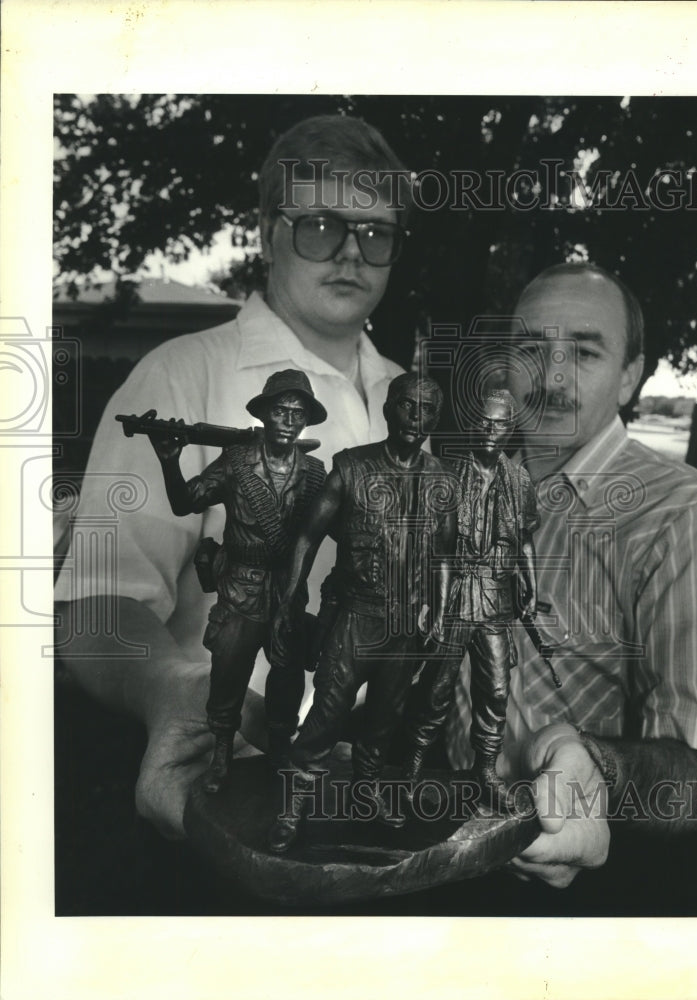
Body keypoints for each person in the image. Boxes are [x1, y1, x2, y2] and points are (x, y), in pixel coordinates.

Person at [54, 114, 411, 838]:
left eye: (376, 233)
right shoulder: (180, 378)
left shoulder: (410, 399)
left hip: (380, 792)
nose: (350, 253)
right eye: (319, 225)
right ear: (266, 230)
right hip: (229, 795)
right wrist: (172, 691)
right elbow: (95, 608)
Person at [444, 262, 697, 889]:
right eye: (530, 347)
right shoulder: (465, 486)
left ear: (631, 377)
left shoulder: (686, 512)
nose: (550, 377)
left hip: (578, 886)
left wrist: (597, 769)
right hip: (426, 846)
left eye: (583, 350)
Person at [267, 373, 456, 853]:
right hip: (356, 617)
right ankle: (293, 799)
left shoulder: (441, 479)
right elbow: (307, 536)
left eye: (427, 409)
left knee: (384, 718)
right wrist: (291, 600)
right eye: (408, 406)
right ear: (390, 409)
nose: (417, 417)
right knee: (327, 714)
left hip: (407, 623)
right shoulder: (350, 468)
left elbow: (445, 554)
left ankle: (367, 787)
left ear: (437, 416)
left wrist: (438, 610)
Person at [143, 370, 328, 792]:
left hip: (287, 594)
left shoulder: (315, 474)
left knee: (287, 680)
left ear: (306, 421)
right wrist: (169, 459)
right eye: (280, 409)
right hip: (240, 590)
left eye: (297, 413)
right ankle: (222, 753)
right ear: (264, 413)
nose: (288, 419)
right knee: (227, 675)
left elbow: (333, 528)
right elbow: (184, 502)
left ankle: (280, 752)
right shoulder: (235, 462)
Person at [402, 389, 539, 807]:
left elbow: (526, 538)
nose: (489, 430)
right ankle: (411, 768)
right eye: (483, 421)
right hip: (456, 593)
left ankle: (485, 771)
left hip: (495, 596)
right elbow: (422, 542)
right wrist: (423, 599)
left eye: (498, 423)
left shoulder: (519, 480)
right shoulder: (444, 474)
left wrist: (531, 582)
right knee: (436, 688)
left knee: (496, 690)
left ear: (510, 430)